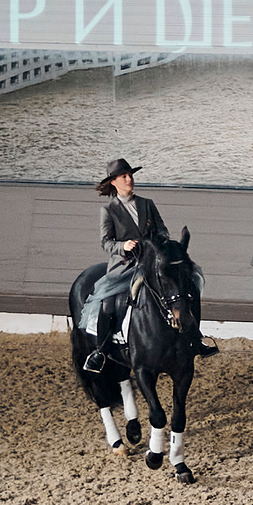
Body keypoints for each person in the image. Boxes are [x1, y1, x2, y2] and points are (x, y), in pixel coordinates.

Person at [81, 158, 215, 372]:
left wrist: (154, 244)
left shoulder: (147, 203)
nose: (129, 179)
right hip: (125, 266)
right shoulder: (108, 210)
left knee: (188, 286)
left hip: (152, 262)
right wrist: (123, 245)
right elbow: (106, 242)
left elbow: (162, 230)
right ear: (113, 182)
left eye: (130, 175)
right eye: (124, 176)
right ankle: (101, 350)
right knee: (108, 303)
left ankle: (196, 337)